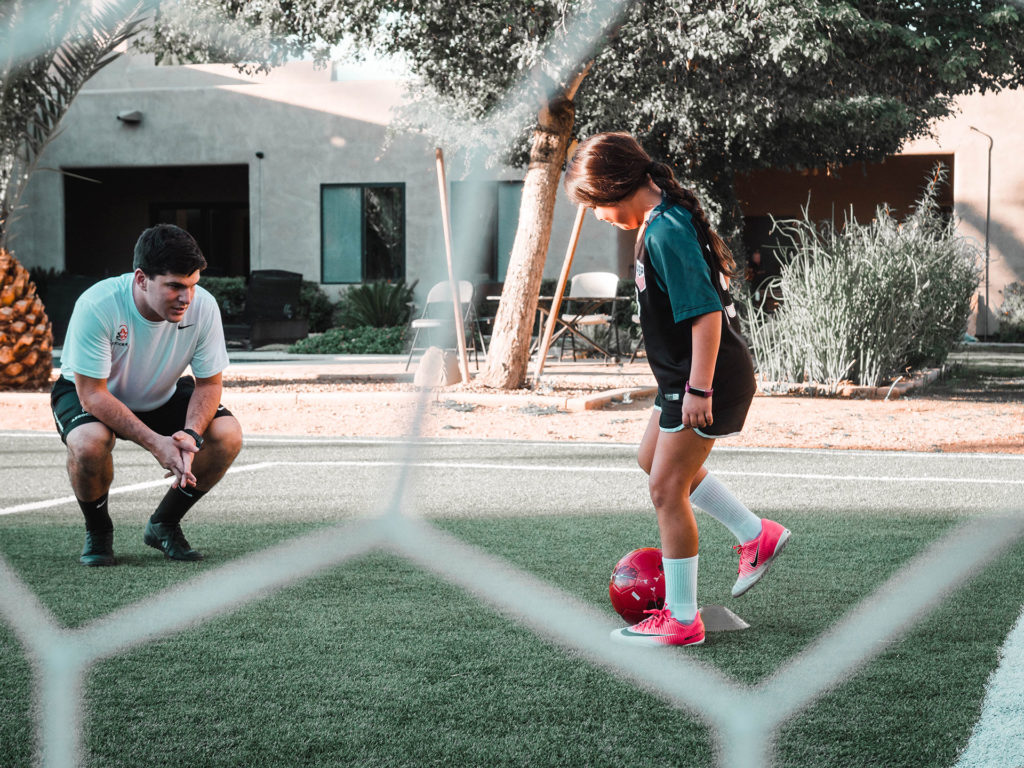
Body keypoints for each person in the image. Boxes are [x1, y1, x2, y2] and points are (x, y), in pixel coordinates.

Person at [564, 133, 791, 646]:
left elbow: (707, 318)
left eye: (596, 207)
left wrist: (699, 390)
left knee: (665, 488)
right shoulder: (659, 223)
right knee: (653, 460)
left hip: (707, 379)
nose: (598, 217)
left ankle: (682, 618)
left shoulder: (667, 230)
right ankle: (755, 533)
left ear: (615, 188)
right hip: (687, 379)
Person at [51, 224, 242, 566]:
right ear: (141, 279)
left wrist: (191, 435)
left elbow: (209, 383)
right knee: (87, 442)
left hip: (162, 390)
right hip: (94, 393)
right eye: (175, 286)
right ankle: (98, 530)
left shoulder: (204, 308)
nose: (187, 298)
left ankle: (164, 524)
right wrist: (157, 443)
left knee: (226, 435)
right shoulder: (98, 305)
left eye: (193, 285)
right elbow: (92, 395)